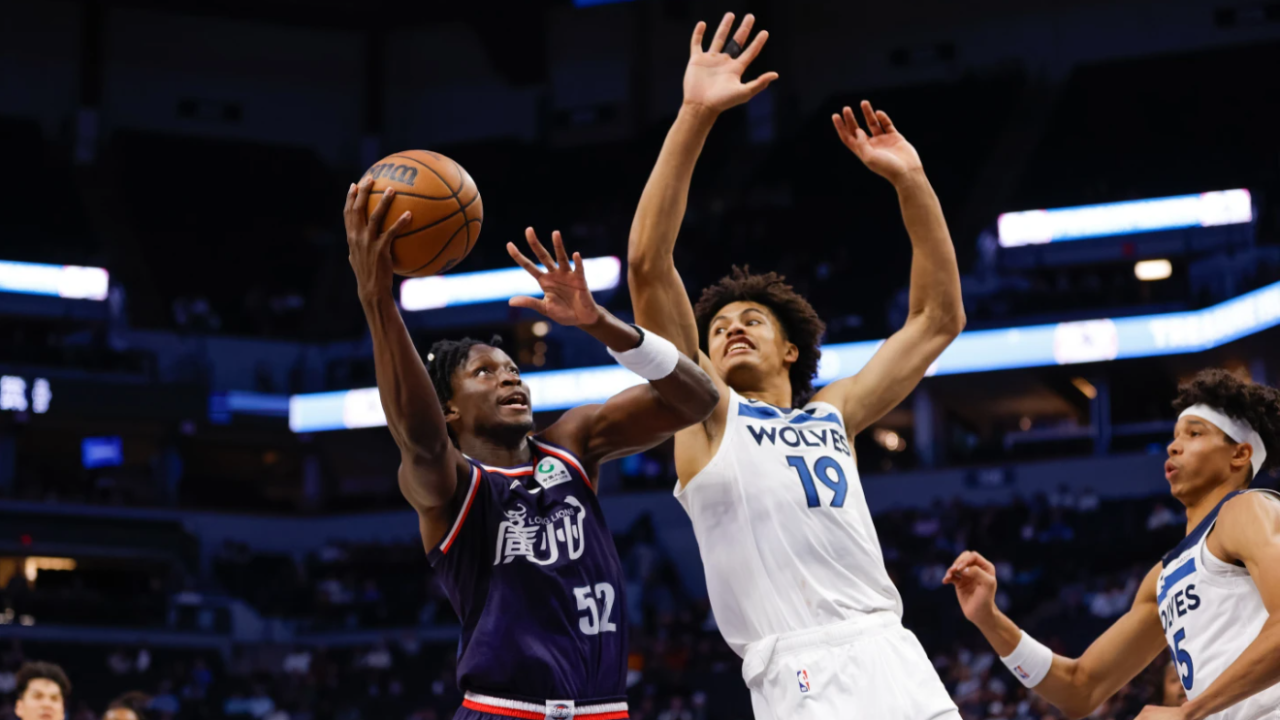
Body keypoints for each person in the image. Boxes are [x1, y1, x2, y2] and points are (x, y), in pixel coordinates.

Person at [625, 12, 965, 719]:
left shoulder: (832, 412)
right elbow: (649, 265)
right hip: (800, 663)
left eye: (751, 320)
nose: (731, 330)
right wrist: (693, 115)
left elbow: (938, 320)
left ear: (791, 349)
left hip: (891, 649)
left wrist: (913, 183)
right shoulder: (705, 413)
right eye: (717, 327)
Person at [344, 179, 720, 718]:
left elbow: (697, 401)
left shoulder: (572, 444)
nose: (509, 379)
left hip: (605, 710)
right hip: (504, 710)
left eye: (513, 370)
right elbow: (421, 440)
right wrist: (377, 300)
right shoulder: (451, 488)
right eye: (484, 373)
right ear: (448, 408)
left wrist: (602, 324)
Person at [946, 369, 1280, 720]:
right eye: (1175, 435)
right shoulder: (1162, 578)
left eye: (1195, 433)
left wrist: (1190, 712)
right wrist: (990, 619)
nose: (1173, 445)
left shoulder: (1247, 509)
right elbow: (1080, 689)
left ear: (1240, 455)